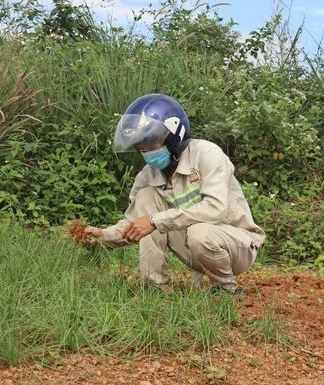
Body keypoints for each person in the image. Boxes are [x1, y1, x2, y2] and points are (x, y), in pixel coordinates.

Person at [82, 94, 265, 295]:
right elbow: (136, 224)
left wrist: (154, 221)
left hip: (238, 245)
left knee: (198, 233)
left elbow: (216, 209)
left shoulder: (207, 154)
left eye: (153, 146)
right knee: (146, 197)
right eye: (142, 149)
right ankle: (155, 287)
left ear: (173, 138)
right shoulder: (147, 175)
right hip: (194, 248)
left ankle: (225, 289)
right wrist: (104, 236)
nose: (147, 153)